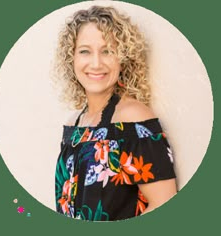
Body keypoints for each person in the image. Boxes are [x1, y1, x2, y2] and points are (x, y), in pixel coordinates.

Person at [53, 5, 177, 221]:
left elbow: (165, 203)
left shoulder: (134, 119)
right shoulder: (74, 122)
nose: (96, 63)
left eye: (107, 51)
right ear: (71, 58)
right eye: (84, 51)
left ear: (123, 58)